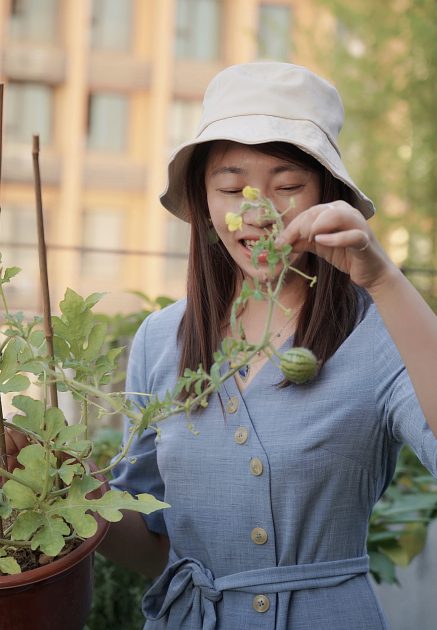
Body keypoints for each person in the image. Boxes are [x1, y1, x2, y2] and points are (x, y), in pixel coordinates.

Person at [10, 62, 437, 629]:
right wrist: (81, 493)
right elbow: (158, 548)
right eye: (232, 187)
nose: (258, 211)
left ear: (327, 193)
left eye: (287, 186)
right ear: (205, 204)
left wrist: (384, 278)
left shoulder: (381, 329)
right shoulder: (162, 339)